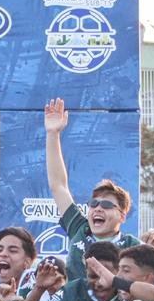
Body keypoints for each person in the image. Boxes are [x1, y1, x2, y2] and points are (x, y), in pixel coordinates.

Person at [43, 98, 139, 281]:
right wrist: (52, 133)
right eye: (94, 203)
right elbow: (58, 185)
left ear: (123, 215)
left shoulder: (132, 246)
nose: (98, 208)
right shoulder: (79, 227)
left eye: (106, 205)